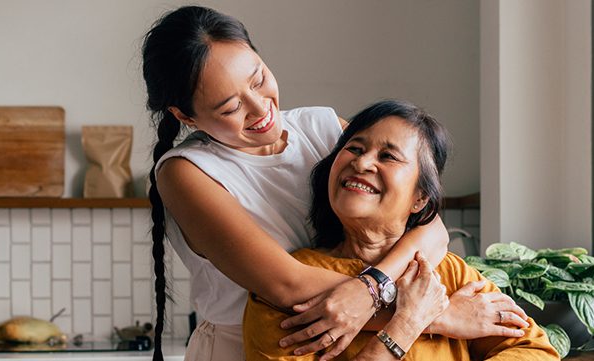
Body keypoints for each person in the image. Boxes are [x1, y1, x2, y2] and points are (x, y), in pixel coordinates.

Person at [142, 6, 530, 361]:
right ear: (185, 116)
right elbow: (286, 286)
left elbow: (430, 224)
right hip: (256, 345)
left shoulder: (324, 127)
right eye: (230, 107)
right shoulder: (185, 172)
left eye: (259, 79)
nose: (261, 108)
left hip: (355, 334)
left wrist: (372, 288)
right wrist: (433, 314)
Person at [243, 100, 560, 360]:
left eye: (388, 156)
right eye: (354, 148)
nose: (363, 163)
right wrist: (407, 323)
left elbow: (534, 351)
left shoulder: (449, 274)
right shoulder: (285, 290)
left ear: (420, 198)